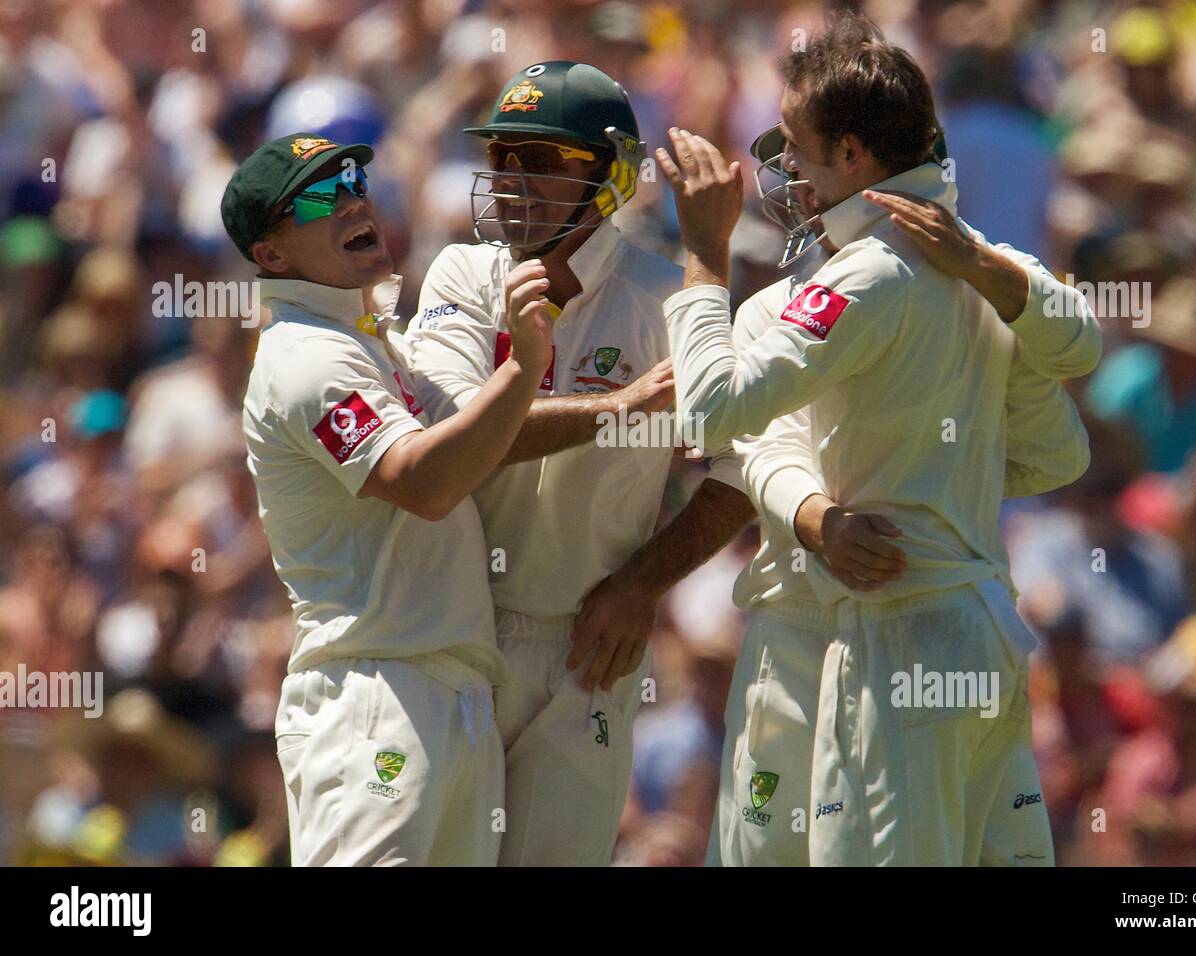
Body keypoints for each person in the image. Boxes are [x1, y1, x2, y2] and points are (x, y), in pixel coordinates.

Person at [654, 14, 1102, 865]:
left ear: (853, 155)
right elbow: (1062, 435)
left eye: (796, 145)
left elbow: (711, 412)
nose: (784, 169)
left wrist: (705, 258)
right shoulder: (971, 264)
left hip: (896, 637)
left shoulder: (876, 272)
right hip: (982, 632)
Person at [400, 62, 757, 866]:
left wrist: (643, 584)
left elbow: (742, 470)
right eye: (503, 159)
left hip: (585, 652)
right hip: (452, 629)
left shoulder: (670, 299)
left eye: (542, 161)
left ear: (609, 176)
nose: (513, 182)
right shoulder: (464, 274)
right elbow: (458, 430)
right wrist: (619, 409)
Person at [224, 132, 554, 865]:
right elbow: (426, 484)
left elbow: (484, 439)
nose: (350, 201)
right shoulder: (305, 355)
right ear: (271, 255)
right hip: (373, 694)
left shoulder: (374, 341)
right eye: (319, 197)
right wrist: (526, 368)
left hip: (448, 692)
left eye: (351, 182)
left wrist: (632, 405)